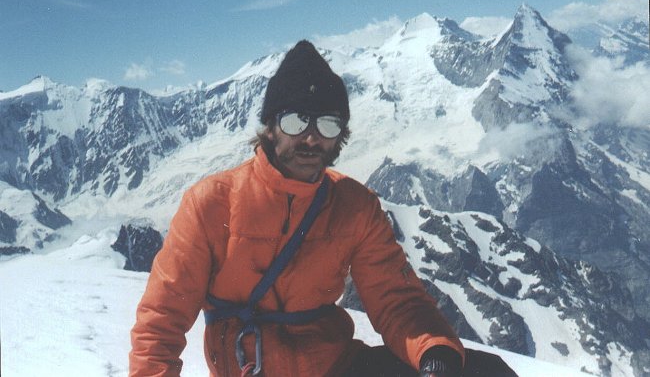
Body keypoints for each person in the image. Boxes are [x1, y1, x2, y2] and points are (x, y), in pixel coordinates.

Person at [130, 40, 466, 376]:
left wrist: (435, 354)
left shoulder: (356, 207)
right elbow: (160, 325)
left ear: (341, 136)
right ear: (271, 128)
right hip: (251, 370)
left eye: (328, 125)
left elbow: (396, 299)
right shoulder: (210, 204)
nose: (311, 138)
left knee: (483, 369)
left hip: (336, 366)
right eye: (296, 121)